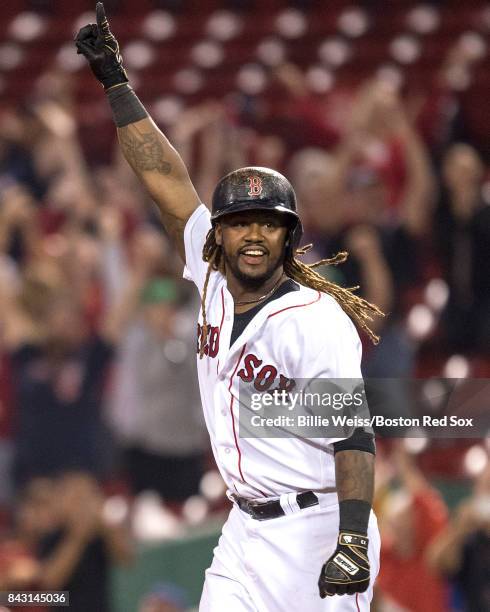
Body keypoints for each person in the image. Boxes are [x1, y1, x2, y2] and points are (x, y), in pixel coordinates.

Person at [75, 5, 382, 610]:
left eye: (268, 225)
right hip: (243, 530)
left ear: (289, 238)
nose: (252, 236)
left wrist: (350, 538)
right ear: (219, 234)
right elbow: (164, 177)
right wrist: (116, 85)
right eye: (239, 223)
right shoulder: (212, 277)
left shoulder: (315, 321)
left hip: (315, 527)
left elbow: (353, 433)